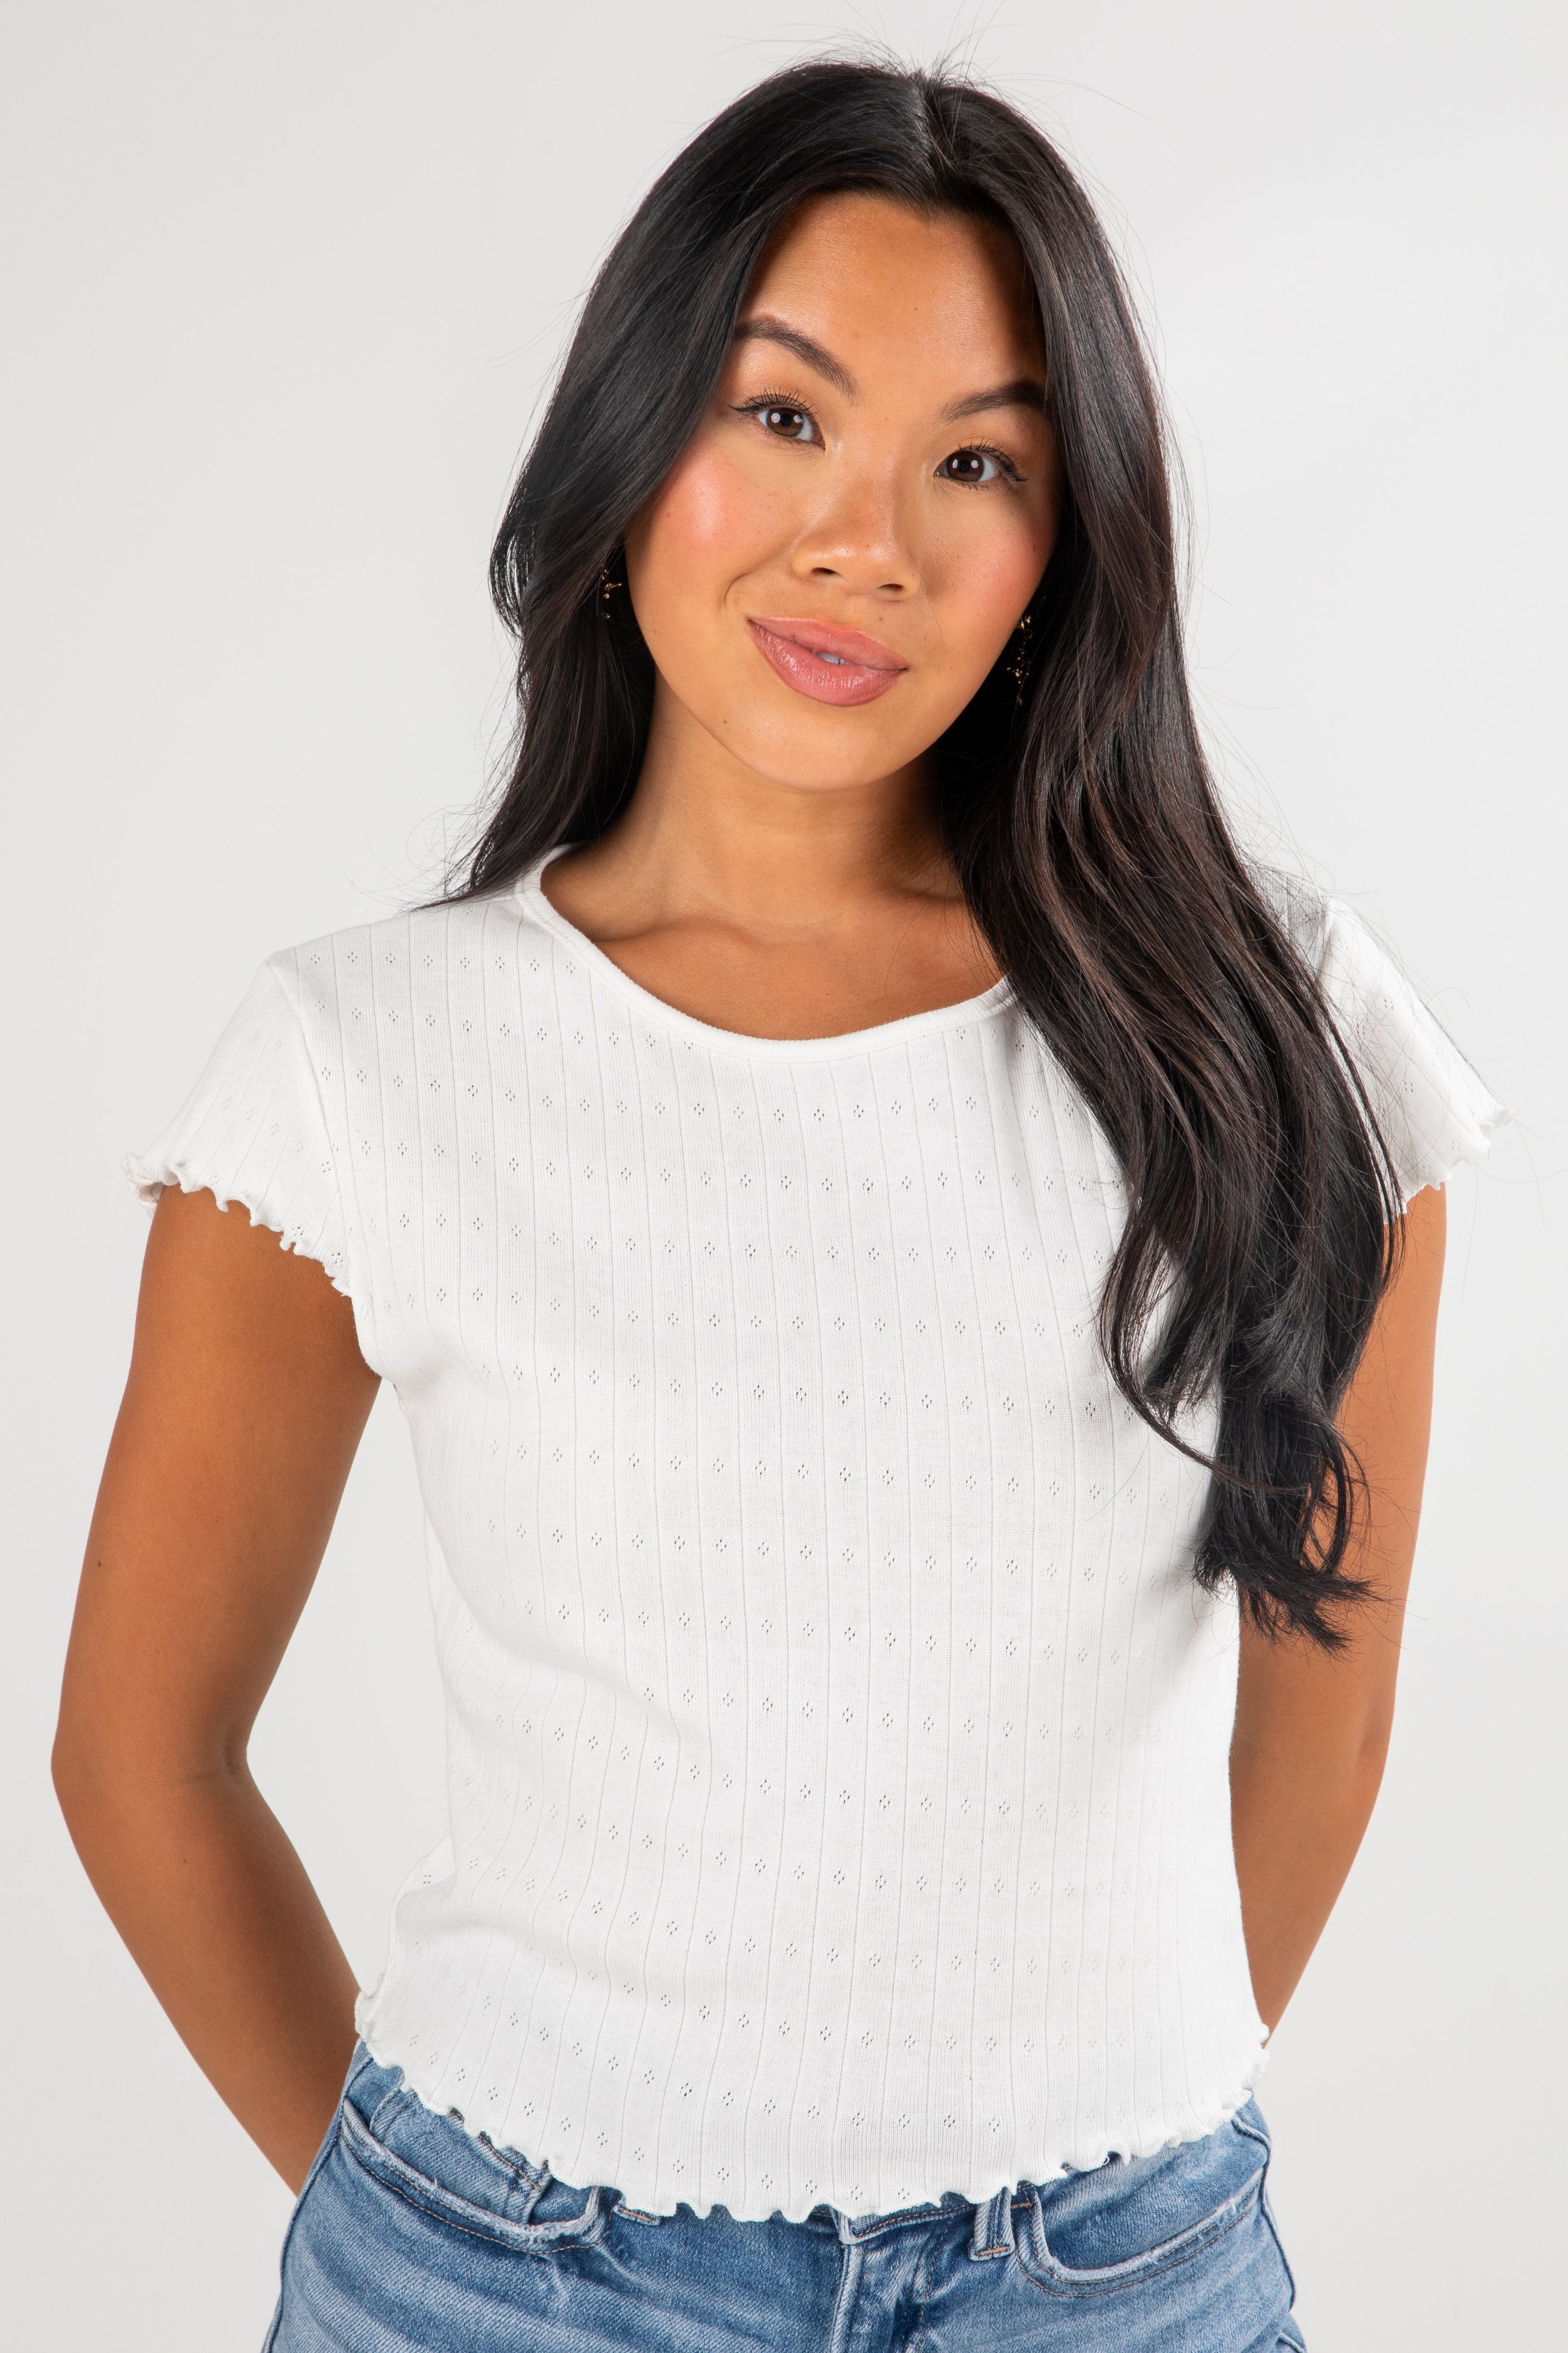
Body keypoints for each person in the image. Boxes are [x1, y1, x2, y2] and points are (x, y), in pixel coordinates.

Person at [54, 58, 1501, 2352]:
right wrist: (428, 2229)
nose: (872, 544)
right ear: (630, 441)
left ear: (1062, 543)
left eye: (979, 462)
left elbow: (1327, 1690)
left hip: (1116, 2279)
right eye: (785, 416)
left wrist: (1118, 2119)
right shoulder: (362, 1059)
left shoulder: (1268, 1021)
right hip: (496, 2278)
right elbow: (140, 1748)